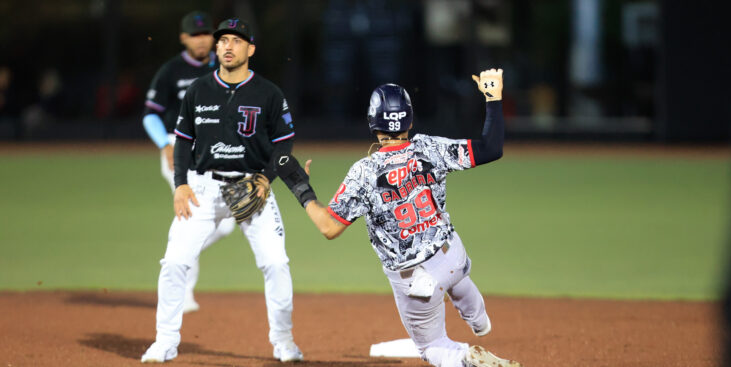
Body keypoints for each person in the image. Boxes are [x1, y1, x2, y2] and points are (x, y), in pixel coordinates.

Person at [273, 69, 521, 367]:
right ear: (410, 121)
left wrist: (300, 188)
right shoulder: (429, 147)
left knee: (432, 347)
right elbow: (491, 148)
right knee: (458, 277)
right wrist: (493, 97)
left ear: (371, 123)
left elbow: (328, 227)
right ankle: (479, 322)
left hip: (417, 281)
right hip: (452, 254)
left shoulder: (364, 172)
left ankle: (467, 358)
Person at [141, 18, 303, 363]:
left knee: (276, 264)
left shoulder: (269, 93)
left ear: (251, 49)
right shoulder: (199, 89)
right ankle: (165, 340)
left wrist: (265, 179)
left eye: (236, 40)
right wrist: (180, 184)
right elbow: (183, 140)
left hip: (252, 187)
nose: (228, 46)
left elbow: (285, 141)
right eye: (223, 41)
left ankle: (284, 341)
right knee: (173, 262)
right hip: (202, 187)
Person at [142, 10, 231, 314]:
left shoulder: (224, 67)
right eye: (195, 34)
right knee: (192, 215)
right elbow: (151, 113)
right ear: (183, 38)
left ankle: (177, 253)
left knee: (227, 224)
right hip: (179, 152)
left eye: (206, 33)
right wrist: (164, 142)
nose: (201, 39)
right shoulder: (171, 71)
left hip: (218, 154)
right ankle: (184, 292)